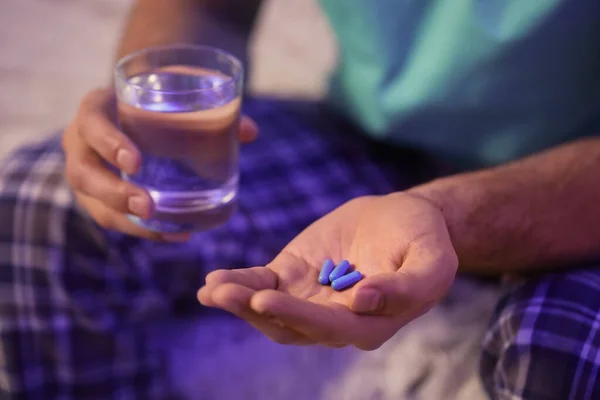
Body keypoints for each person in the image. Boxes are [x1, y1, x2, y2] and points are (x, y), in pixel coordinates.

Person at [2, 0, 600, 398]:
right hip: (373, 141)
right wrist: (168, 108)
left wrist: (451, 215)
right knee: (35, 210)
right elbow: (207, 6)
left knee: (558, 360)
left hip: (573, 175)